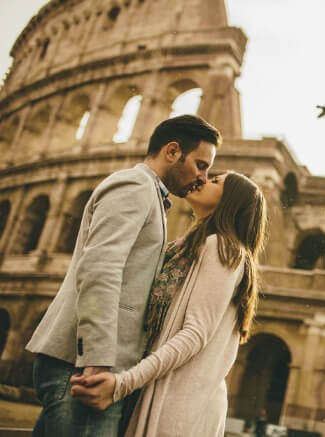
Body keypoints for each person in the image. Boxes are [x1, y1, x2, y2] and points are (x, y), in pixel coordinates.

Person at [26, 114, 221, 436]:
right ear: (172, 151)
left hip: (85, 362)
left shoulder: (151, 195)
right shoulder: (134, 186)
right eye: (201, 164)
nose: (203, 176)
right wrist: (99, 360)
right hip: (86, 366)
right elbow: (101, 269)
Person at [70, 170, 268, 437]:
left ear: (231, 201)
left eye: (216, 181)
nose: (203, 180)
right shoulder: (193, 245)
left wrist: (122, 384)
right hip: (174, 396)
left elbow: (194, 334)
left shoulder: (222, 247)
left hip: (178, 407)